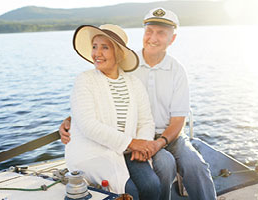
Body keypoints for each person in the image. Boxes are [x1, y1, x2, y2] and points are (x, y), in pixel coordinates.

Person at [60, 8, 217, 200]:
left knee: (196, 166)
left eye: (161, 33)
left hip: (169, 137)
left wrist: (153, 144)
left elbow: (177, 121)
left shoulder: (177, 71)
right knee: (164, 165)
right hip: (133, 140)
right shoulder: (126, 65)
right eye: (149, 31)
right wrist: (70, 120)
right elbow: (93, 105)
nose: (153, 38)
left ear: (172, 39)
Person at [66, 24, 161, 200]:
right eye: (94, 47)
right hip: (93, 153)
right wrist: (132, 142)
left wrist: (143, 146)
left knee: (152, 185)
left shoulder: (134, 83)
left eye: (104, 47)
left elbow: (146, 121)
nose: (96, 53)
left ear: (119, 53)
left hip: (127, 151)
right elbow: (88, 125)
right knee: (128, 191)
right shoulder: (84, 80)